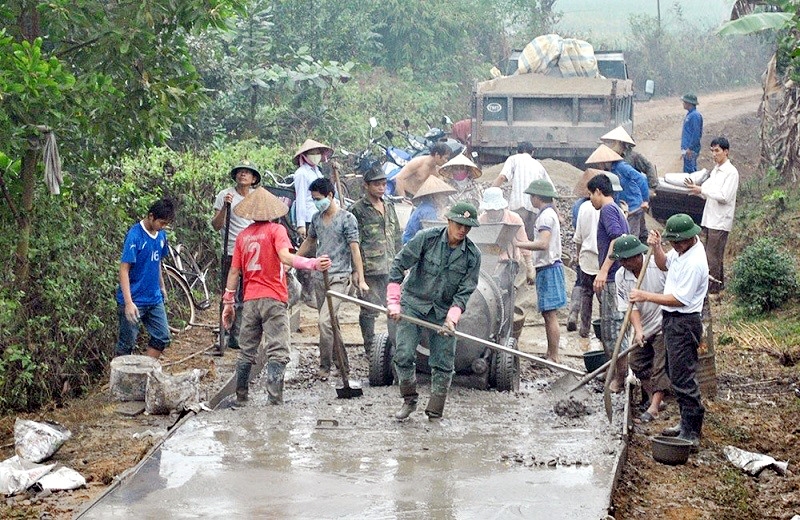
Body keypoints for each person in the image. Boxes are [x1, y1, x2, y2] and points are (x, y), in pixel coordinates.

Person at [221, 187, 331, 405]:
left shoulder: (242, 236)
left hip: (250, 300)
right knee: (278, 350)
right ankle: (274, 399)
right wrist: (312, 263)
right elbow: (285, 257)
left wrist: (228, 302)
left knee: (246, 351)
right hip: (273, 298)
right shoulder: (276, 231)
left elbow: (234, 272)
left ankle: (241, 397)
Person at [388, 201, 482, 421]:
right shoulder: (426, 238)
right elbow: (399, 264)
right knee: (403, 354)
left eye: (467, 227)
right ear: (449, 220)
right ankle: (409, 400)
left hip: (443, 311)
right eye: (459, 224)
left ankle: (435, 410)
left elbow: (465, 291)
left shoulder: (472, 256)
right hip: (413, 303)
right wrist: (394, 301)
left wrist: (452, 318)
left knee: (443, 362)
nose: (463, 230)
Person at [630, 215, 709, 452]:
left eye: (677, 243)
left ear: (689, 238)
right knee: (676, 374)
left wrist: (645, 296)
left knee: (684, 377)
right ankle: (685, 423)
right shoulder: (682, 250)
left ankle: (692, 432)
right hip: (673, 321)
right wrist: (657, 248)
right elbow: (665, 264)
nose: (674, 247)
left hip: (684, 321)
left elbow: (678, 300)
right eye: (671, 243)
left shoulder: (695, 262)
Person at [297, 178, 368, 380]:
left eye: (319, 198)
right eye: (313, 199)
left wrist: (360, 278)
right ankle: (343, 364)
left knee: (324, 321)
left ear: (330, 195)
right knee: (332, 323)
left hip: (339, 277)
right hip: (320, 277)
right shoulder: (317, 219)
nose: (317, 202)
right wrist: (293, 261)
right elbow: (310, 242)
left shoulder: (347, 219)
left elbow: (355, 249)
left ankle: (324, 366)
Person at [611, 235, 670, 423]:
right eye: (621, 260)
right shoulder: (621, 276)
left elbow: (671, 295)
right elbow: (631, 307)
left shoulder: (657, 266)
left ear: (638, 256)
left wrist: (646, 296)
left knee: (661, 366)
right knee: (637, 362)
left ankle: (653, 408)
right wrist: (638, 330)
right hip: (643, 325)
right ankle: (654, 397)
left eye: (627, 259)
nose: (624, 263)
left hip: (663, 322)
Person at [348, 167, 403, 355]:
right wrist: (356, 271)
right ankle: (371, 350)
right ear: (366, 185)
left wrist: (402, 263)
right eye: (377, 184)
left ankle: (395, 346)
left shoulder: (388, 206)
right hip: (369, 269)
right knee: (369, 310)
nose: (381, 188)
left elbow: (397, 236)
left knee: (395, 308)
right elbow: (353, 242)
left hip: (391, 266)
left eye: (384, 184)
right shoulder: (357, 210)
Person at [115, 198, 176, 359]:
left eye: (166, 224)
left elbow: (157, 263)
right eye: (161, 222)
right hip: (134, 298)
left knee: (162, 336)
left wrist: (161, 286)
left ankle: (145, 371)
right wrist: (128, 303)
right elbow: (124, 269)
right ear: (151, 216)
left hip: (153, 298)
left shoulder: (161, 236)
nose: (163, 227)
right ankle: (122, 380)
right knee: (127, 343)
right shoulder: (135, 236)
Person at [211, 161, 260, 352]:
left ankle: (237, 335)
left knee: (245, 296)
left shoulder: (257, 198)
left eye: (248, 173)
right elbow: (216, 225)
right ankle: (223, 334)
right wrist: (225, 207)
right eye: (240, 172)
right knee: (228, 295)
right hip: (231, 251)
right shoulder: (225, 195)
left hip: (252, 253)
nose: (243, 175)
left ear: (253, 178)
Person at [517, 180, 566, 363]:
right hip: (548, 267)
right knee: (547, 313)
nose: (531, 199)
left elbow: (543, 243)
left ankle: (553, 356)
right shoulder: (548, 214)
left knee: (550, 314)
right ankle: (550, 353)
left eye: (532, 196)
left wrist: (519, 244)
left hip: (549, 267)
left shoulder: (545, 217)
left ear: (537, 197)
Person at [588, 173, 630, 391]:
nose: (590, 200)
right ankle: (613, 371)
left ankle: (620, 379)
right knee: (614, 325)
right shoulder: (617, 210)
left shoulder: (607, 210)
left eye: (590, 195)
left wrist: (603, 271)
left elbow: (617, 239)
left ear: (598, 192)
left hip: (613, 277)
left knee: (613, 328)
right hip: (618, 276)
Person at [683, 136, 739, 295]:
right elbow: (708, 190)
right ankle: (719, 286)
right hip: (710, 218)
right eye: (712, 151)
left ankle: (712, 289)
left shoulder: (731, 173)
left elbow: (724, 196)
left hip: (720, 220)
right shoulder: (715, 170)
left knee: (712, 257)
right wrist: (698, 190)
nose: (714, 154)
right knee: (714, 255)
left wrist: (702, 190)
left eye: (717, 151)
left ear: (726, 152)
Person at [586, 144, 650, 244]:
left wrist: (645, 200)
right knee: (641, 235)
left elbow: (641, 178)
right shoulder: (610, 172)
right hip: (625, 207)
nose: (599, 166)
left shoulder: (622, 167)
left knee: (630, 240)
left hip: (633, 206)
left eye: (600, 164)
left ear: (605, 162)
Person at [492, 141, 554, 240]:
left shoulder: (513, 159)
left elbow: (502, 177)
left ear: (517, 151)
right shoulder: (538, 165)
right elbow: (550, 192)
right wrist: (557, 214)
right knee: (529, 242)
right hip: (534, 208)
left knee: (514, 240)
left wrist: (490, 193)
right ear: (532, 152)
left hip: (517, 207)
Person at [477, 187, 536, 283]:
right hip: (488, 259)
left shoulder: (513, 219)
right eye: (489, 210)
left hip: (508, 260)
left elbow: (523, 242)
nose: (491, 212)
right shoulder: (482, 220)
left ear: (500, 207)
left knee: (504, 283)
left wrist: (529, 266)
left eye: (494, 209)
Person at [292, 138, 333, 239]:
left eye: (318, 153)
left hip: (321, 214)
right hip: (309, 217)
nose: (315, 156)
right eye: (312, 153)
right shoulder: (301, 173)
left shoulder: (318, 172)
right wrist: (301, 224)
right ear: (305, 156)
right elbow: (300, 198)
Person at [601, 125, 659, 196]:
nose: (609, 145)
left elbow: (649, 167)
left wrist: (651, 188)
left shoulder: (633, 156)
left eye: (612, 142)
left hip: (632, 195)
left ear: (620, 142)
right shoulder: (606, 157)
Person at [402, 174, 456, 244]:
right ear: (434, 196)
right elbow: (433, 232)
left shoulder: (426, 206)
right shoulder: (428, 210)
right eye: (441, 195)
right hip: (412, 244)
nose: (443, 198)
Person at [681, 93, 703, 173]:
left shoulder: (695, 116)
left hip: (690, 150)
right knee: (687, 171)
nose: (683, 104)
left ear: (689, 103)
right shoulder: (690, 114)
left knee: (690, 173)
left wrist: (690, 148)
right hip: (687, 150)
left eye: (684, 102)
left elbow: (696, 134)